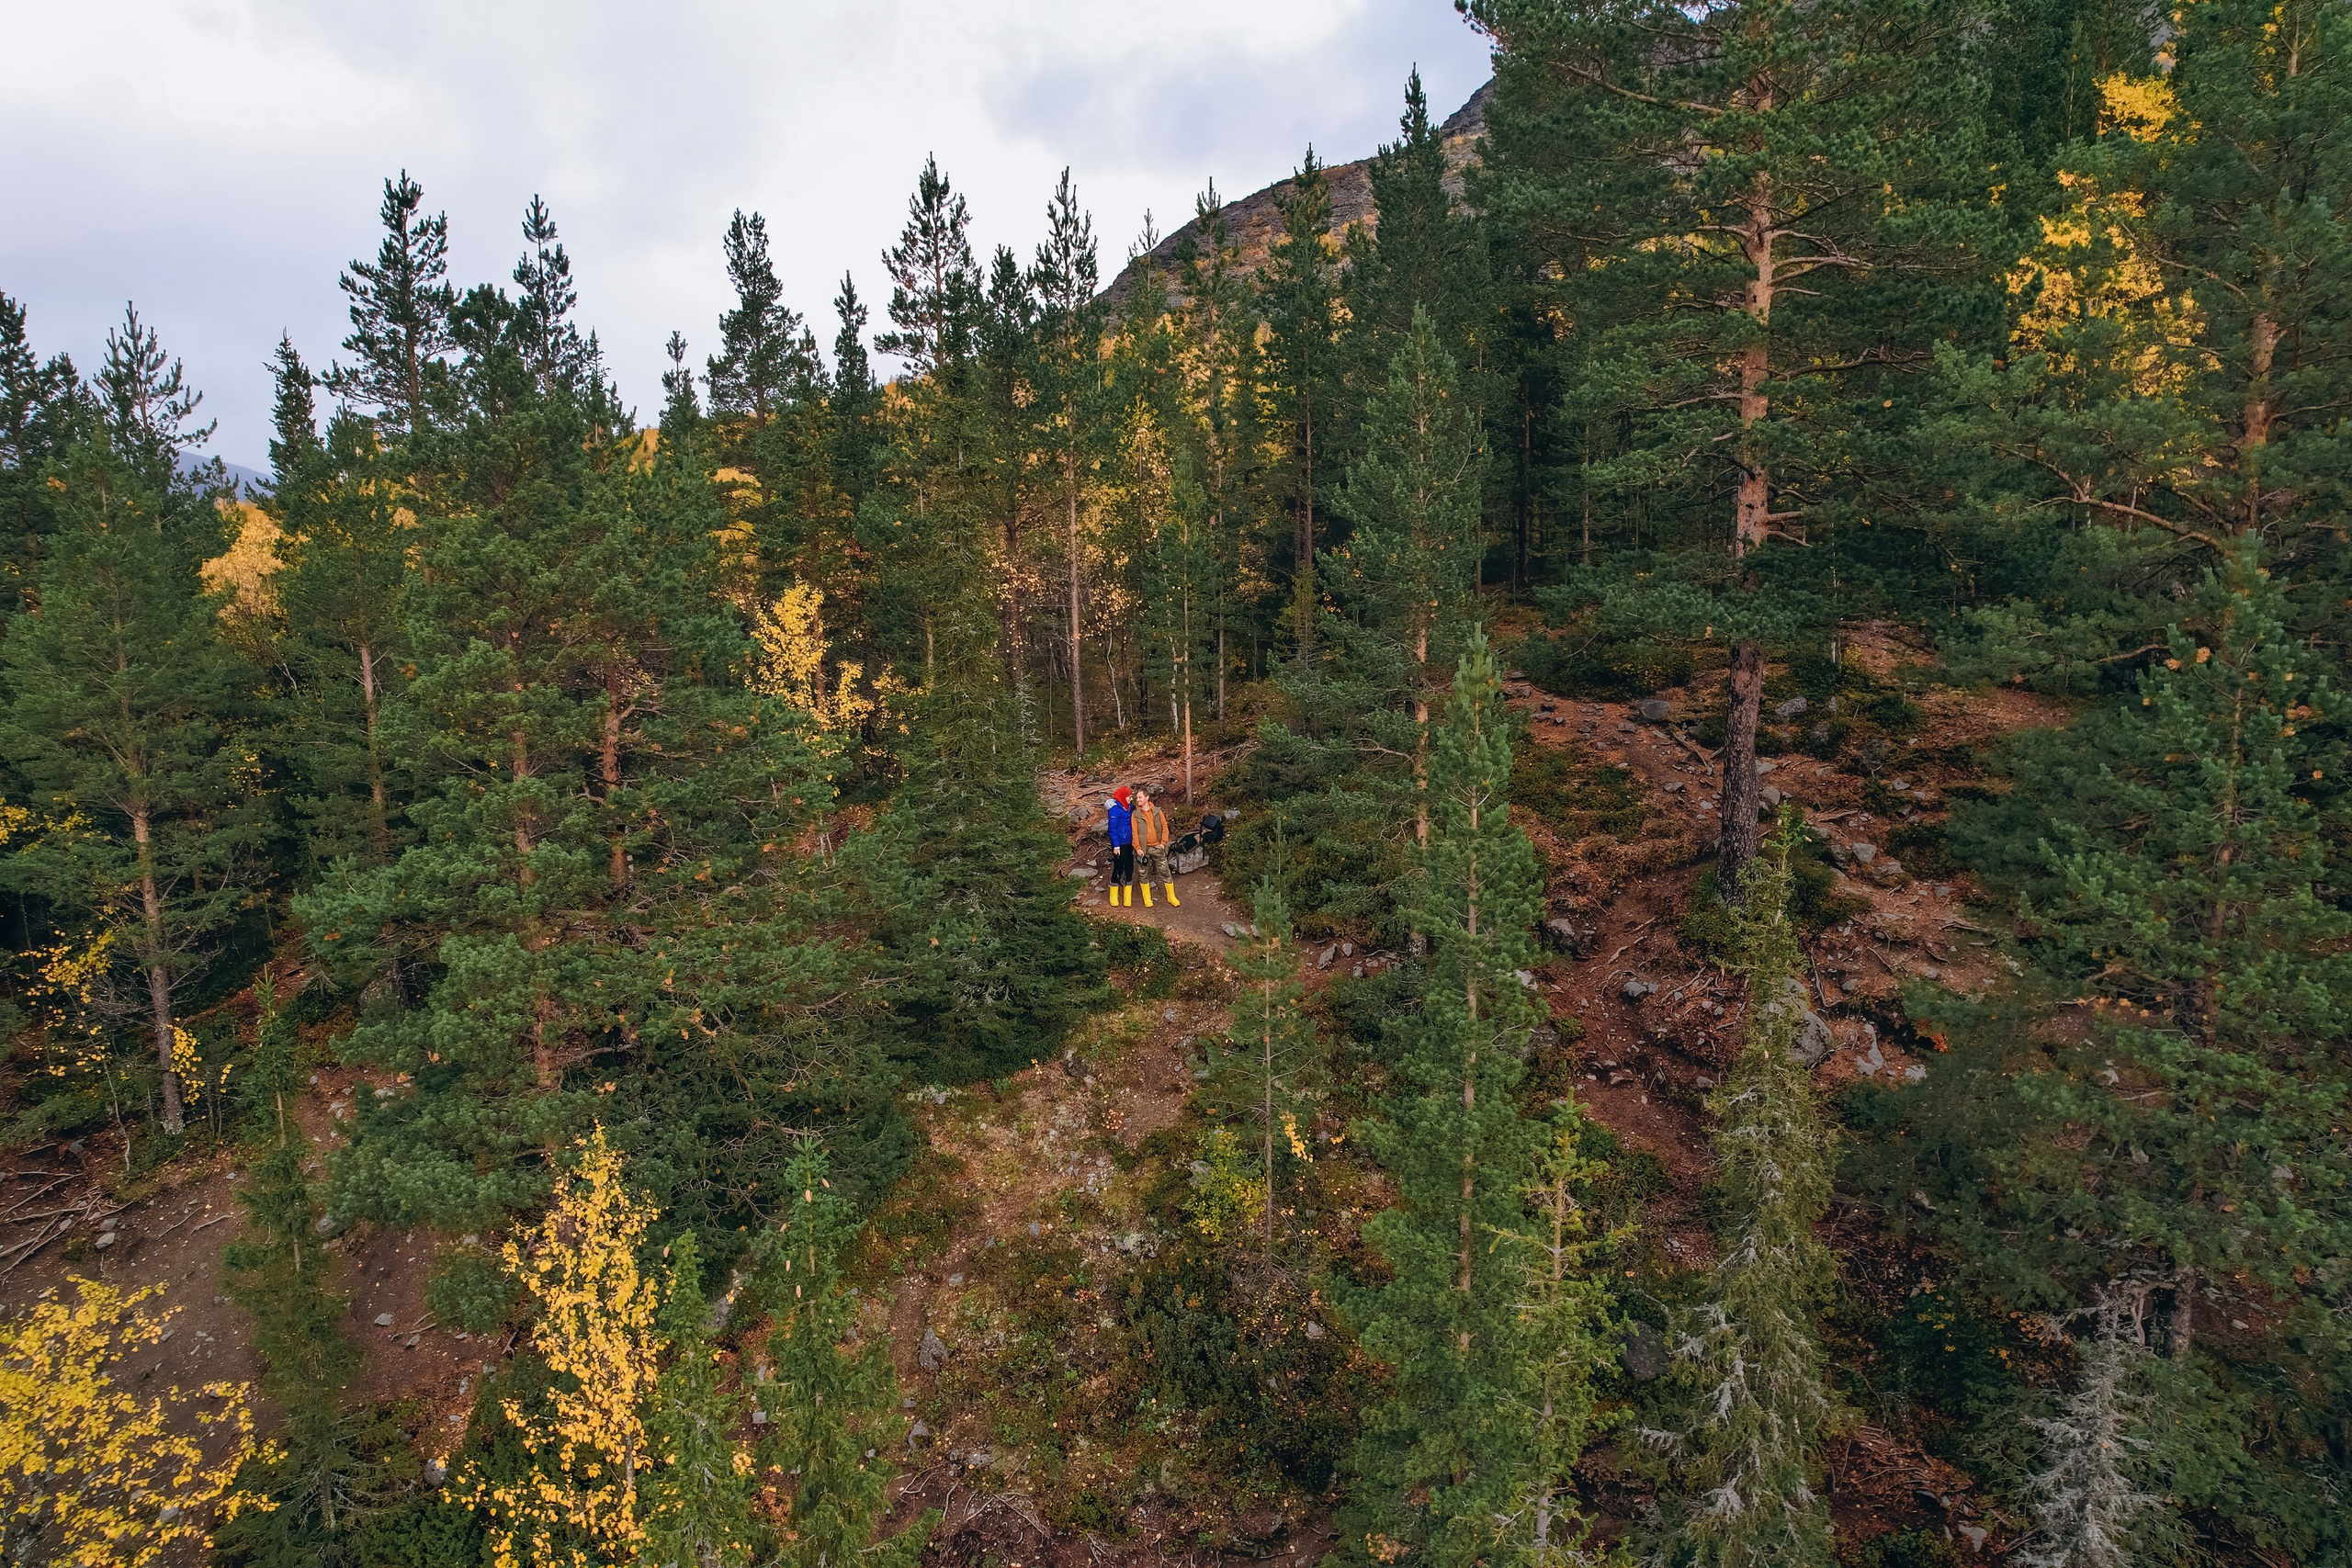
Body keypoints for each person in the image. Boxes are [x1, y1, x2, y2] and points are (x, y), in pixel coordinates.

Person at [1132, 787, 1178, 908]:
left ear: (1147, 797)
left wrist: (1163, 843)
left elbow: (1165, 828)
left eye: (1140, 797)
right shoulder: (1135, 814)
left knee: (1165, 871)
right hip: (1143, 849)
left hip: (1157, 847)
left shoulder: (1157, 812)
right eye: (1137, 798)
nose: (1138, 800)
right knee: (1143, 873)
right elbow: (1134, 833)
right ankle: (1147, 898)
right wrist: (1138, 848)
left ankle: (1171, 896)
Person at [1105, 785, 1135, 906]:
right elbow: (1112, 830)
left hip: (1130, 843)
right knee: (1118, 867)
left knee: (1129, 867)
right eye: (1129, 797)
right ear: (1123, 797)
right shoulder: (1115, 810)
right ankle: (1113, 894)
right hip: (1119, 845)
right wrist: (1116, 846)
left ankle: (1128, 896)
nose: (1131, 799)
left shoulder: (1130, 807)